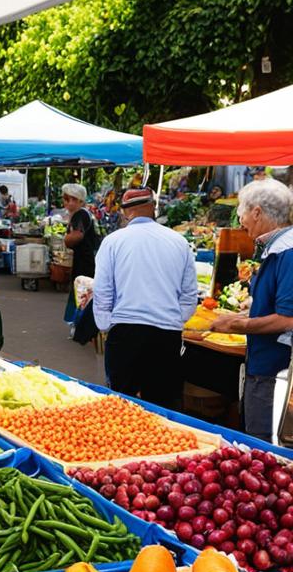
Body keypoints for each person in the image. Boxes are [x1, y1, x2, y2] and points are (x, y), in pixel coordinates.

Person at [92, 187, 197, 410]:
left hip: (125, 331)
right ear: (153, 208)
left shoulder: (113, 241)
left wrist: (106, 324)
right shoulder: (178, 242)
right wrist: (175, 320)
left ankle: (122, 442)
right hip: (166, 334)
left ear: (126, 212)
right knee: (162, 405)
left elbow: (102, 292)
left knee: (121, 405)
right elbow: (189, 296)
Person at [211, 180, 293, 441]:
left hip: (274, 369)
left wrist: (239, 325)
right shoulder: (276, 247)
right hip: (264, 363)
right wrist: (244, 314)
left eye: (242, 213)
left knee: (263, 445)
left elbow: (287, 318)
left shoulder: (286, 252)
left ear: (257, 212)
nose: (240, 220)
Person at [62, 183, 100, 324]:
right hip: (87, 258)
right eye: (65, 198)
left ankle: (79, 323)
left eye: (68, 198)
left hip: (85, 260)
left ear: (78, 200)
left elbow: (77, 235)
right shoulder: (84, 213)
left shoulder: (80, 214)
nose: (65, 202)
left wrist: (66, 239)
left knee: (82, 291)